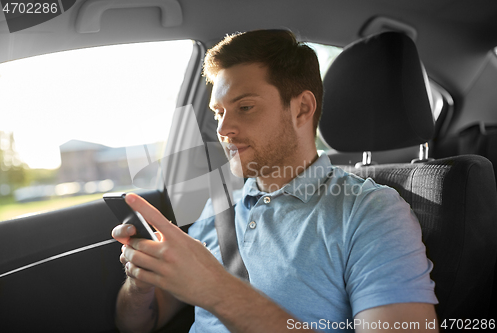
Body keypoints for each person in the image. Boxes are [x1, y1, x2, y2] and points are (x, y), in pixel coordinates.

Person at [111, 29, 438, 332]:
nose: (223, 130)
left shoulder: (371, 214)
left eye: (245, 107)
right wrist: (141, 283)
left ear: (301, 109)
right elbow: (141, 324)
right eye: (218, 113)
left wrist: (215, 288)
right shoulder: (218, 207)